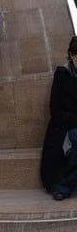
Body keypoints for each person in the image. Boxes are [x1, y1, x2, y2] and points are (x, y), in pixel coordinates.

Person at [40, 36, 77, 200]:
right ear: (70, 54)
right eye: (75, 54)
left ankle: (64, 187)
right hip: (63, 131)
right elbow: (55, 111)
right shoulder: (62, 75)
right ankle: (64, 187)